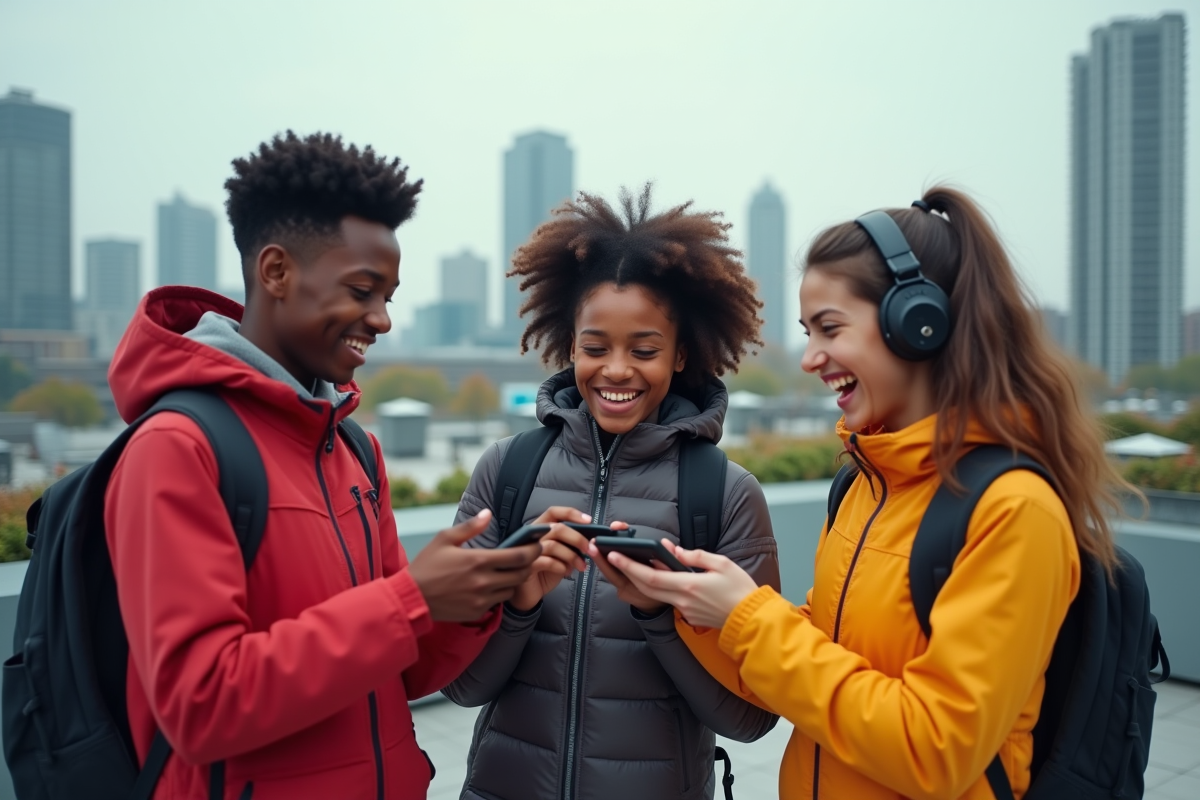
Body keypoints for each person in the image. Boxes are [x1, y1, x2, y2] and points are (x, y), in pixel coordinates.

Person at [609, 187, 1131, 800]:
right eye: (808, 332)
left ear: (919, 323)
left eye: (829, 328)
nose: (809, 358)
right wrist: (686, 605)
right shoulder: (864, 483)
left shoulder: (1015, 511)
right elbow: (812, 661)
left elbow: (935, 749)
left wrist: (748, 619)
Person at [104, 131, 544, 800]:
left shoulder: (353, 448)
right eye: (364, 291)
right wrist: (411, 600)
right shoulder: (176, 447)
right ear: (276, 271)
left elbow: (399, 672)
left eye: (389, 297)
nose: (383, 320)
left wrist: (486, 596)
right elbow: (201, 705)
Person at [441, 186, 781, 800]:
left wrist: (659, 615)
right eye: (595, 348)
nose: (616, 370)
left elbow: (750, 718)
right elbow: (463, 687)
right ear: (569, 346)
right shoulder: (506, 470)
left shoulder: (725, 495)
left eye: (644, 350)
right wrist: (517, 605)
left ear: (680, 355)